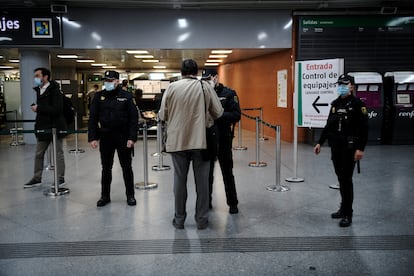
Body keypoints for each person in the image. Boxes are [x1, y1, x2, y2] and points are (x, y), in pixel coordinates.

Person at [158, 59, 223, 230]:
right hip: (201, 142)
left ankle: (179, 219)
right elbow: (218, 112)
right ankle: (201, 220)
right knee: (202, 184)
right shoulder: (205, 87)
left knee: (179, 182)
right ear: (196, 72)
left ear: (181, 72)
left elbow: (162, 115)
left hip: (177, 142)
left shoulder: (172, 88)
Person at [314, 73, 368, 227]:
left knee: (346, 180)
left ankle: (348, 213)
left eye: (345, 84)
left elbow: (364, 129)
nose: (341, 87)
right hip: (336, 148)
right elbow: (328, 125)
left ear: (352, 86)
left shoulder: (358, 104)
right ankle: (343, 208)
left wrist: (360, 149)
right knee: (341, 179)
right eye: (339, 84)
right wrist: (320, 142)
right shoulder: (335, 103)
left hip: (350, 148)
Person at [88, 70, 138, 207]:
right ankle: (105, 196)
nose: (107, 83)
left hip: (123, 137)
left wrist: (132, 138)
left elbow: (134, 119)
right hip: (106, 137)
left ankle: (130, 195)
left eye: (110, 81)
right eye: (106, 81)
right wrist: (92, 137)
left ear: (117, 81)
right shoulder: (99, 97)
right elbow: (93, 118)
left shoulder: (126, 96)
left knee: (126, 167)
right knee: (106, 168)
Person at [202, 68, 241, 214]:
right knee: (207, 174)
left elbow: (236, 115)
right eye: (205, 79)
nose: (208, 82)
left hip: (224, 138)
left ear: (216, 77)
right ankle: (207, 202)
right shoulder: (203, 94)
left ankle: (233, 203)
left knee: (227, 172)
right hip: (207, 139)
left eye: (210, 78)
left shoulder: (229, 94)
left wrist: (219, 115)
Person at [24, 67, 67, 188]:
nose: (35, 78)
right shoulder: (39, 90)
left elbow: (57, 109)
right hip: (43, 127)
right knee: (39, 153)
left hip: (55, 127)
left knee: (58, 153)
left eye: (37, 76)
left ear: (45, 77)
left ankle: (60, 178)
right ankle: (37, 177)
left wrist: (39, 108)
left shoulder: (55, 90)